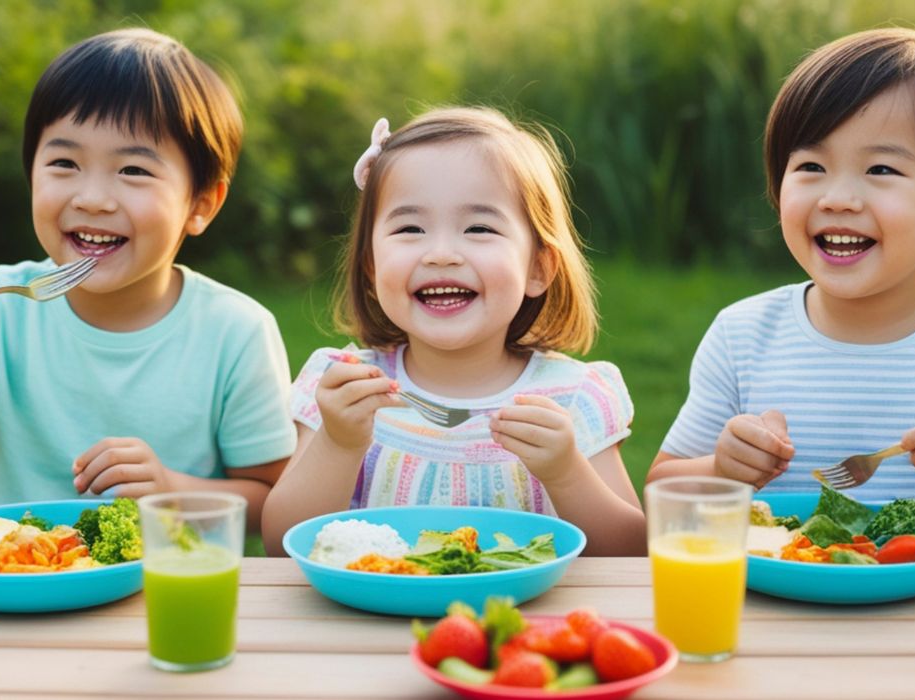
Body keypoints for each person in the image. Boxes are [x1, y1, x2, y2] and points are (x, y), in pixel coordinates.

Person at [0, 28, 296, 532]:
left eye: (132, 170)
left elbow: (271, 502)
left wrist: (172, 490)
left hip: (158, 596)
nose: (92, 198)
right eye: (64, 163)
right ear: (32, 175)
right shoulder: (1, 306)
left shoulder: (235, 331)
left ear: (201, 205)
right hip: (14, 585)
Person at [648, 28, 915, 555]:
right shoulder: (743, 335)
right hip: (781, 620)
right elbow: (660, 500)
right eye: (811, 166)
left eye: (881, 169)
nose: (837, 198)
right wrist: (723, 471)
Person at [262, 107, 645, 556]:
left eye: (478, 228)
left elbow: (630, 555)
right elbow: (280, 545)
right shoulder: (343, 389)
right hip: (373, 619)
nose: (441, 254)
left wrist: (566, 473)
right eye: (410, 228)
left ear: (538, 267)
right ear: (371, 265)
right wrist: (338, 444)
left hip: (524, 622)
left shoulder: (573, 398)